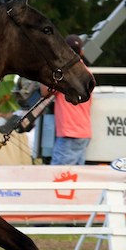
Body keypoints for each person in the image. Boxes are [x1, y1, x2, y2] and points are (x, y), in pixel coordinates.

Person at [42, 34, 93, 165]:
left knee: (58, 173)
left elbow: (45, 92)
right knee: (76, 175)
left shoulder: (64, 74)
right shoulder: (87, 72)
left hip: (69, 133)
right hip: (84, 132)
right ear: (82, 52)